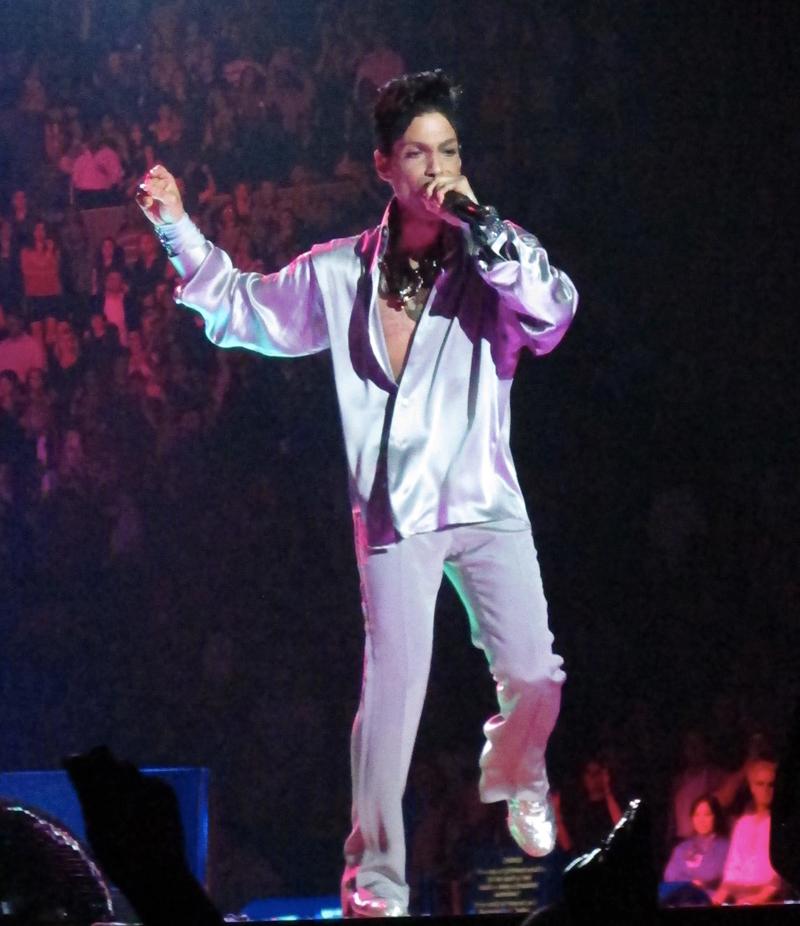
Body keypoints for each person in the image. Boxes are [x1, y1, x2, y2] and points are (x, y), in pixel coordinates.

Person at [136, 70, 578, 917]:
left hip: (486, 500)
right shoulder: (341, 273)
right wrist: (177, 230)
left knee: (534, 674)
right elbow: (242, 309)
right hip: (393, 515)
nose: (437, 167)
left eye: (449, 150)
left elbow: (554, 312)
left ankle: (519, 769)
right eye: (418, 153)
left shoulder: (494, 253)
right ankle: (374, 884)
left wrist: (483, 225)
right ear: (385, 166)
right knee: (390, 699)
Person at [712, 758, 782, 906]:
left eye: (771, 785)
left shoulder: (783, 824)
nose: (765, 790)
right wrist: (721, 895)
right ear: (752, 787)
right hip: (739, 898)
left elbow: (781, 874)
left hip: (770, 899)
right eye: (760, 784)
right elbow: (733, 864)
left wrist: (760, 898)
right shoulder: (743, 824)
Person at [661, 794, 729, 905]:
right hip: (682, 899)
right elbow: (669, 875)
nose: (701, 820)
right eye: (697, 815)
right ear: (692, 818)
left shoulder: (725, 847)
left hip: (711, 900)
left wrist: (699, 882)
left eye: (707, 814)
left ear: (715, 816)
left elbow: (715, 874)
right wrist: (690, 882)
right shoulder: (682, 848)